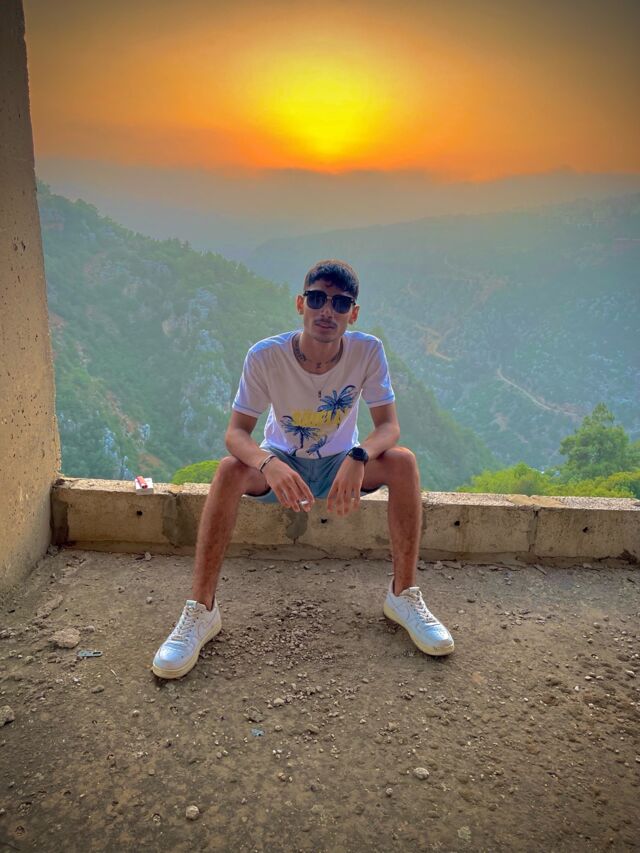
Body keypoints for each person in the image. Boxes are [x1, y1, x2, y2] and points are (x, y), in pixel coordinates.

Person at [152, 259, 454, 679]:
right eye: (317, 299)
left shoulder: (367, 351)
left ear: (353, 313)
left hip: (341, 465)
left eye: (340, 303)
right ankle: (202, 610)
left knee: (403, 462)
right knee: (228, 470)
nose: (327, 311)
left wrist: (358, 456)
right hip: (281, 463)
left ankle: (403, 596)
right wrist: (268, 462)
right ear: (300, 304)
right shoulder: (266, 356)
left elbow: (389, 427)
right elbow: (236, 433)